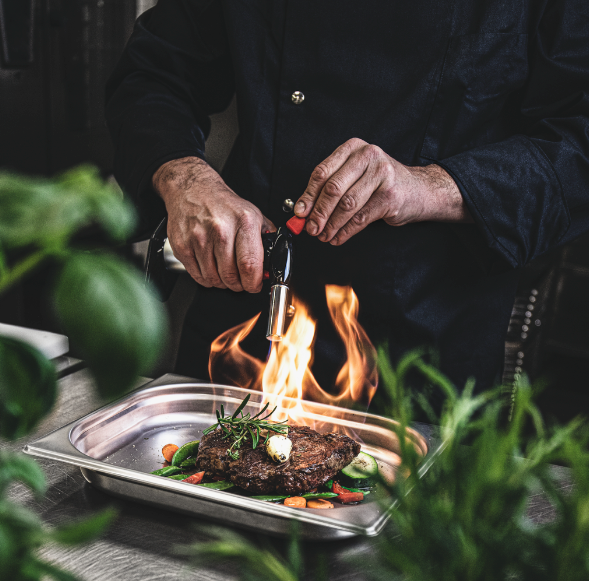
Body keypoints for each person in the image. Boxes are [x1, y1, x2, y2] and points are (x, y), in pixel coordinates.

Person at [106, 0, 589, 394]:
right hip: (243, 319)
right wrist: (185, 178)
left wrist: (432, 184)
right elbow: (153, 75)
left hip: (420, 351)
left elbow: (578, 139)